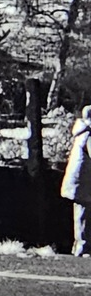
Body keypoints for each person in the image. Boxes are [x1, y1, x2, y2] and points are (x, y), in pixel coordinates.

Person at [61, 106, 91, 256]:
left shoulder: (81, 132)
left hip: (79, 181)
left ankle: (79, 247)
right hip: (84, 182)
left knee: (81, 214)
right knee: (84, 215)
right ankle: (83, 248)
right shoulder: (89, 135)